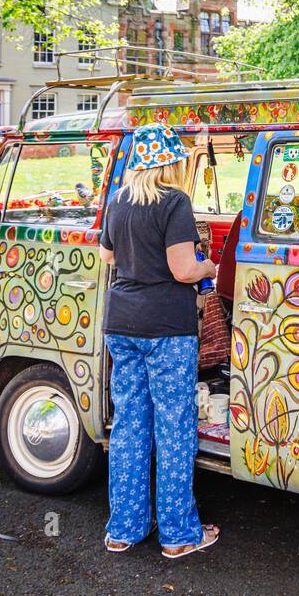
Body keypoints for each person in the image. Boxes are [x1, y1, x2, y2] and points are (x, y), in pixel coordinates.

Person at [99, 125, 220, 559]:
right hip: (166, 328)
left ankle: (124, 529)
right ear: (170, 162)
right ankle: (178, 534)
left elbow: (108, 256)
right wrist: (209, 268)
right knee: (174, 426)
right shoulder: (175, 203)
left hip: (122, 324)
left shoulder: (119, 201)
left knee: (130, 424)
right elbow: (183, 269)